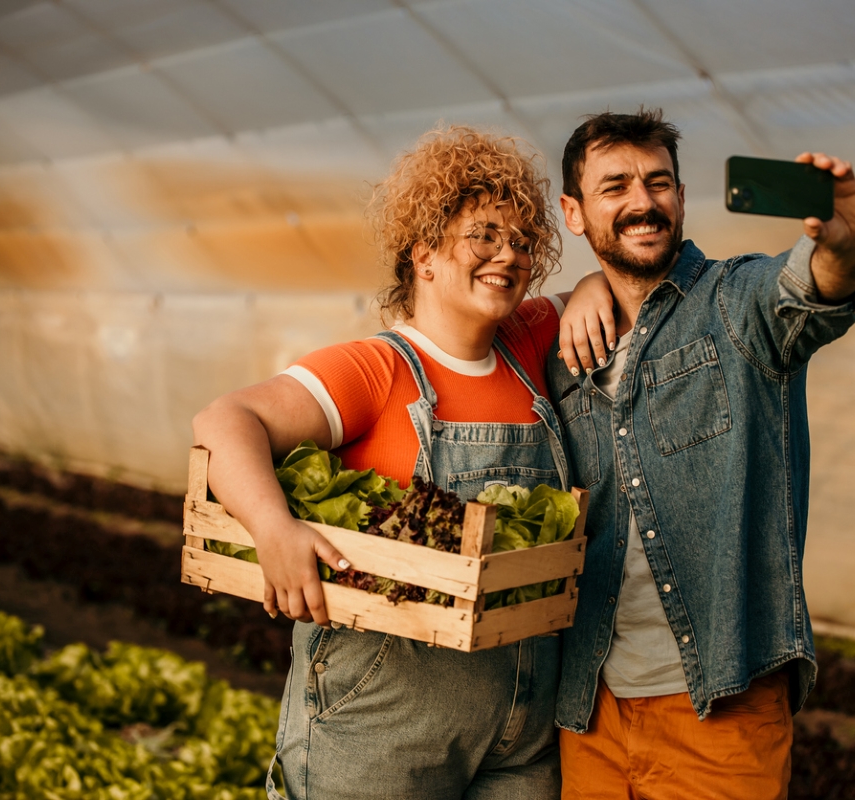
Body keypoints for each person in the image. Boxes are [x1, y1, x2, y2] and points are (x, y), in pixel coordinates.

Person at [192, 126, 574, 800]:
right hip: (387, 720)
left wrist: (592, 292)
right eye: (483, 236)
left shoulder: (530, 340)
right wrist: (275, 530)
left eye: (522, 241)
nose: (508, 256)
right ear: (424, 251)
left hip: (524, 721)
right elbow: (225, 421)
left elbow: (620, 290)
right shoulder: (377, 369)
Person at [547, 108, 855, 799]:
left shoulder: (735, 304)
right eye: (615, 187)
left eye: (659, 182)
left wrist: (846, 245)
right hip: (590, 709)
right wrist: (584, 289)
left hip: (721, 705)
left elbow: (811, 289)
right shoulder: (562, 344)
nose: (643, 202)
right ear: (574, 213)